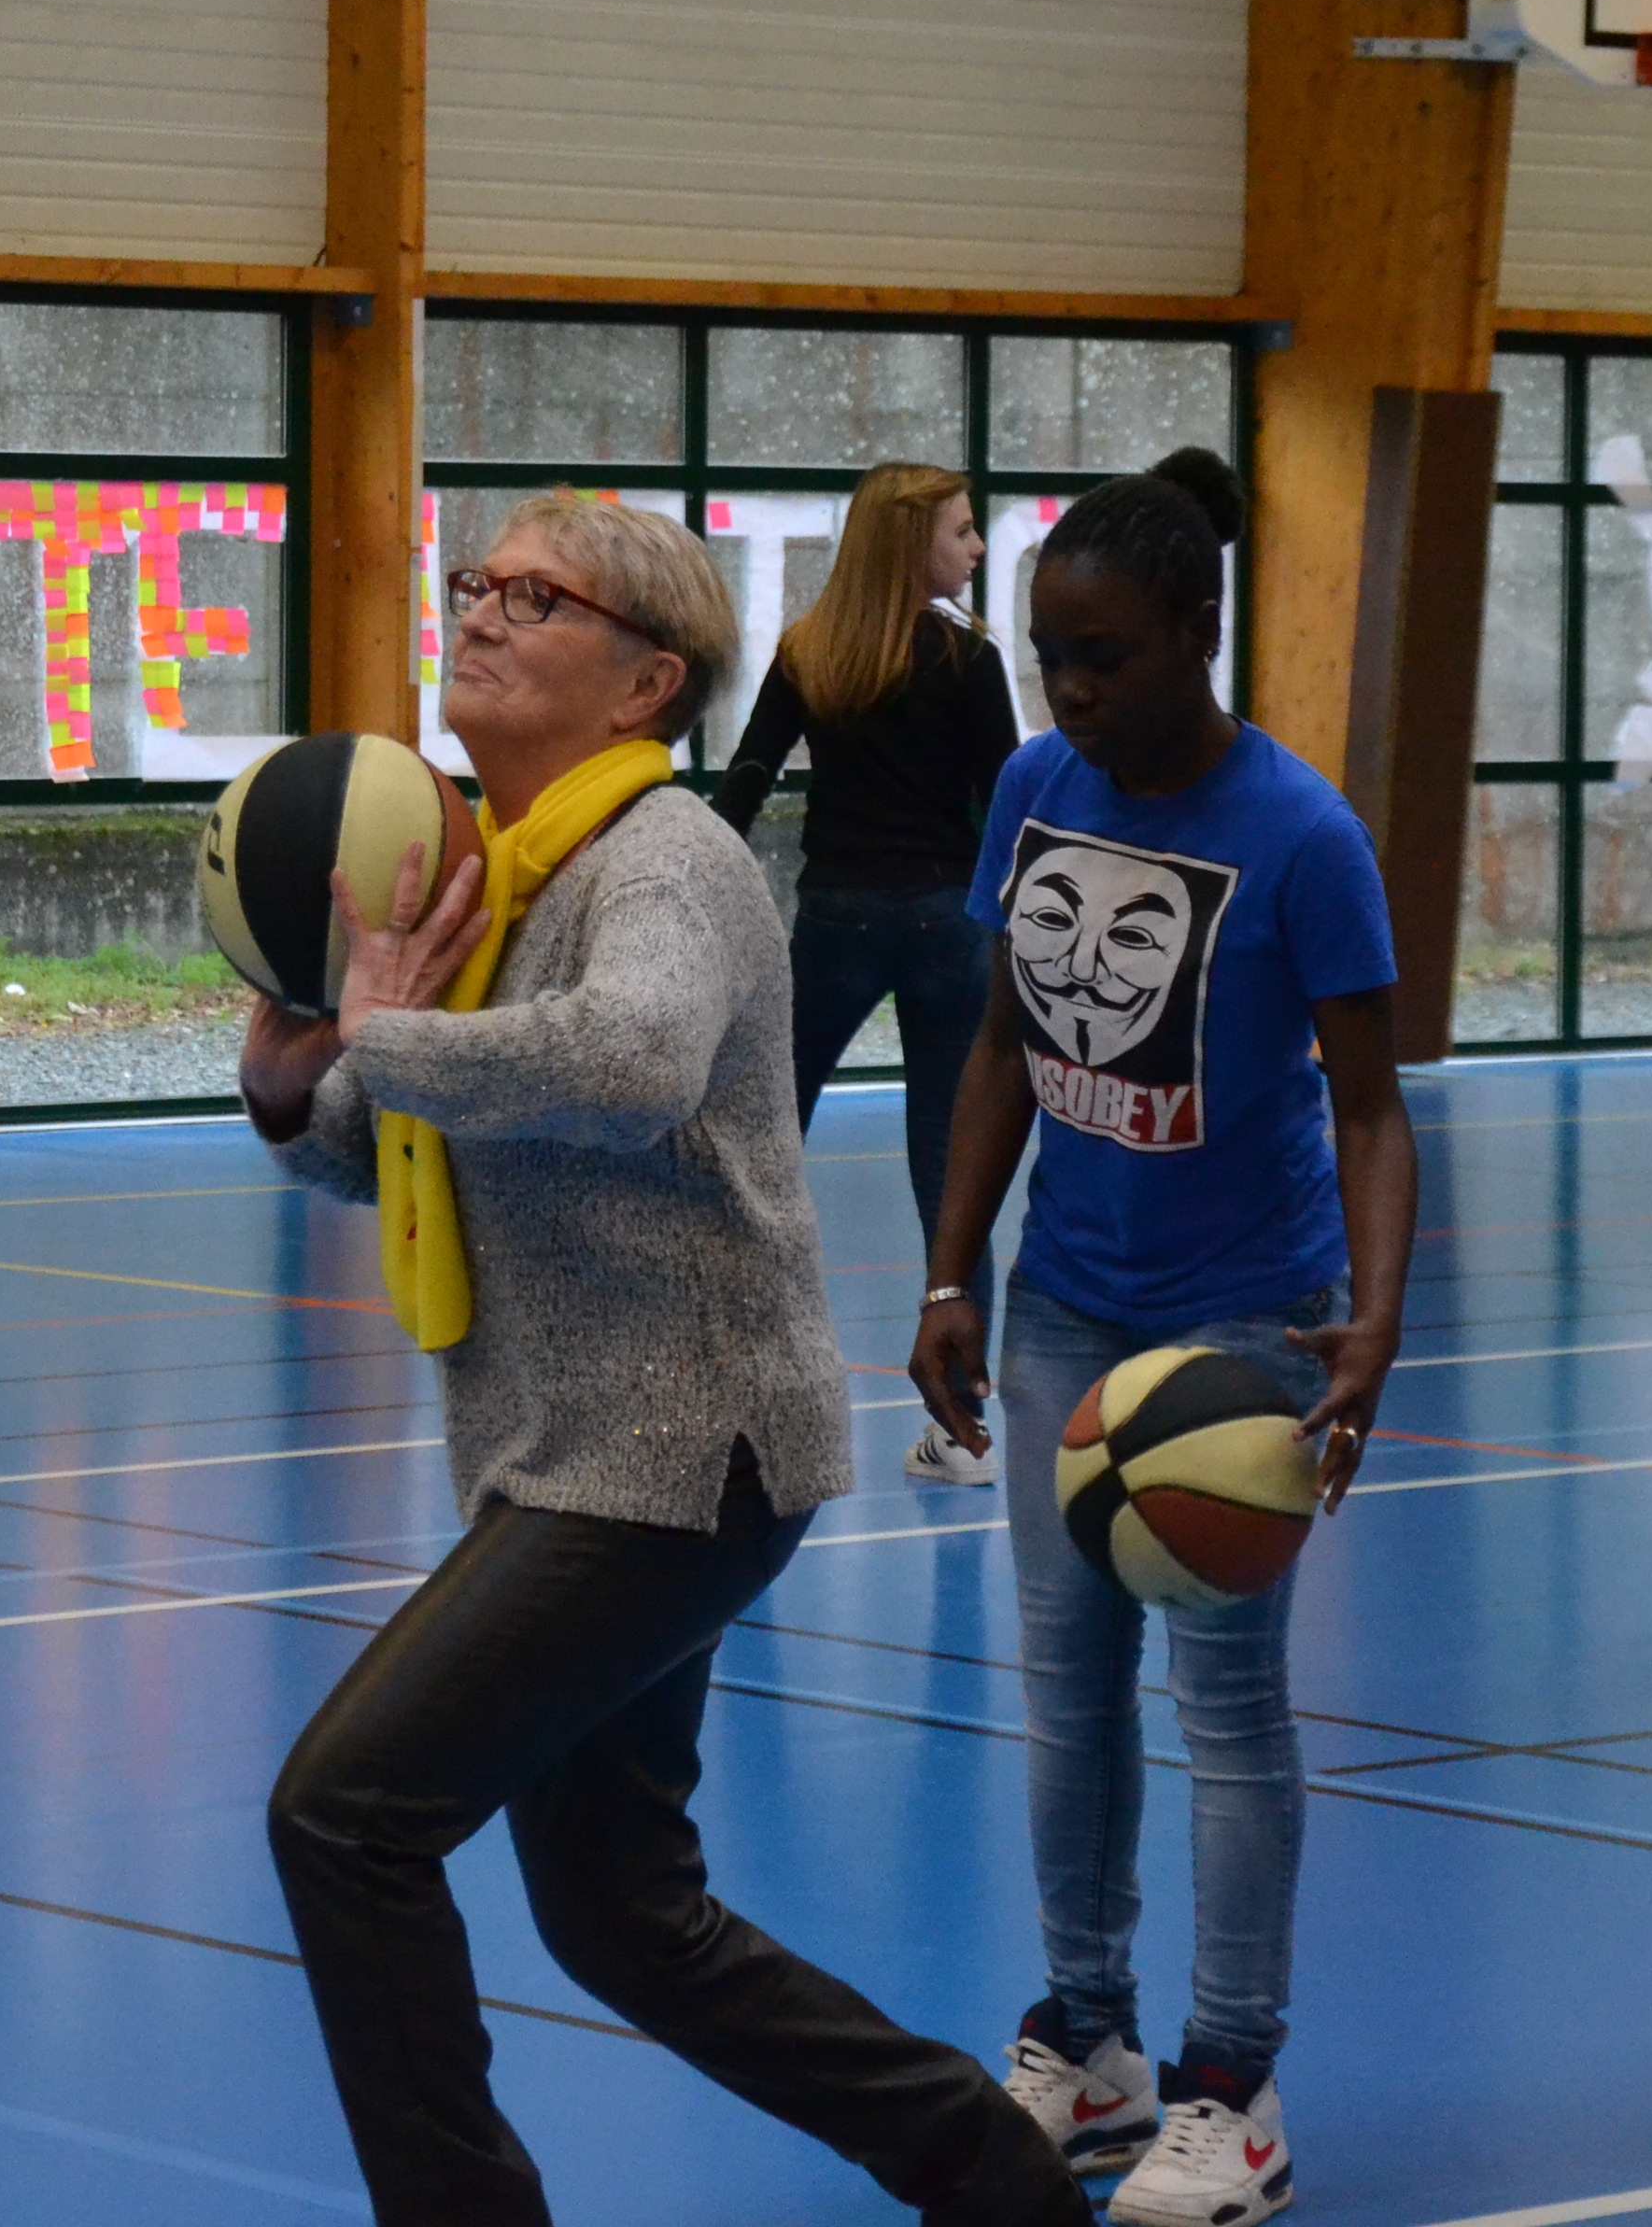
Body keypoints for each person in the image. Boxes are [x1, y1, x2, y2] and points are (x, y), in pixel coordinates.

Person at [244, 490, 1082, 2227]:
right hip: (567, 1448)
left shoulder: (668, 860)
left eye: (531, 598)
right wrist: (293, 1087)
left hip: (677, 1449)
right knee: (618, 1908)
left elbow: (628, 1063)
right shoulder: (487, 866)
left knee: (344, 1816)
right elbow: (390, 1134)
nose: (478, 612)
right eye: (474, 582)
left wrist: (393, 1033)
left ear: (644, 681)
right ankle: (982, 2166)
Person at [905, 451, 1417, 2227]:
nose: (1071, 689)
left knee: (1225, 1701)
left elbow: (1370, 1110)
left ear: (1198, 634)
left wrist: (1368, 1330)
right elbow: (994, 1040)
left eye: (1105, 654)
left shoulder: (1301, 836)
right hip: (1062, 1301)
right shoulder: (1035, 786)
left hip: (1235, 1327)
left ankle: (1234, 2082)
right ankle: (1092, 2038)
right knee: (1064, 1690)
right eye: (1051, 652)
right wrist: (948, 1271)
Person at [711, 461, 1019, 1481]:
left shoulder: (813, 651)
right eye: (963, 532)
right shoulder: (968, 661)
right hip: (947, 926)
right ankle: (962, 1430)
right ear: (908, 546)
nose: (976, 549)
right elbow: (1005, 804)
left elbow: (748, 777)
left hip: (837, 921)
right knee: (950, 1169)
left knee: (763, 1143)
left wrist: (695, 884)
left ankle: (737, 1394)